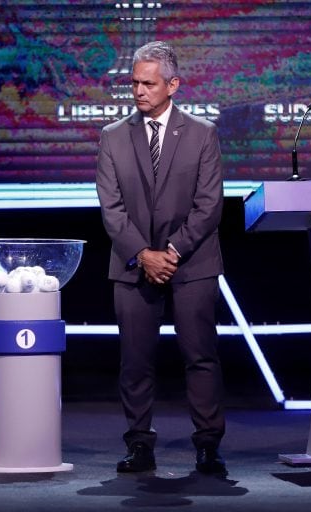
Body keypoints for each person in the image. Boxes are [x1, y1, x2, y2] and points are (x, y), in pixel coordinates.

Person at [95, 41, 227, 475]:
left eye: (148, 83)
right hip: (134, 266)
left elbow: (209, 205)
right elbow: (110, 208)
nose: (138, 91)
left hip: (192, 264)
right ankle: (139, 445)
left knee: (201, 356)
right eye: (133, 82)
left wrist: (170, 253)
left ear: (173, 85)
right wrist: (142, 254)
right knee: (135, 361)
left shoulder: (202, 133)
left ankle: (208, 445)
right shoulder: (113, 136)